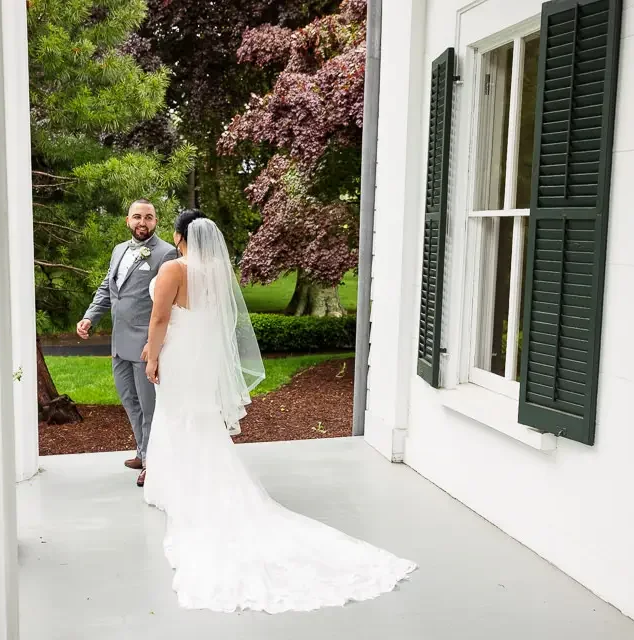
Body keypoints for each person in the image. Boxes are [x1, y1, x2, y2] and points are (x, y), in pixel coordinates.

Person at [140, 209, 417, 613]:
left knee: (178, 417)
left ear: (181, 237)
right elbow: (220, 320)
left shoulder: (173, 270)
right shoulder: (216, 273)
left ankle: (183, 490)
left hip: (180, 355)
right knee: (196, 419)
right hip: (202, 359)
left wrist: (152, 356)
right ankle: (185, 483)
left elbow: (161, 315)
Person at [78, 199, 178, 485]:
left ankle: (153, 463)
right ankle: (142, 449)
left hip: (145, 345)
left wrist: (154, 343)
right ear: (127, 220)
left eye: (148, 217)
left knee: (150, 407)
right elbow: (108, 290)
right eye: (137, 217)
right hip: (119, 344)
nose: (142, 223)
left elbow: (166, 305)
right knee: (129, 401)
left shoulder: (166, 254)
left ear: (156, 222)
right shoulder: (119, 250)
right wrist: (89, 318)